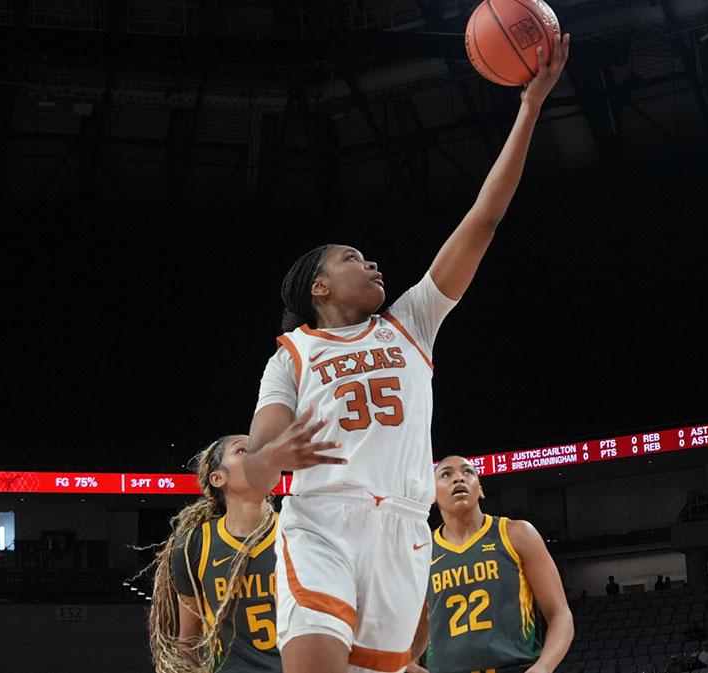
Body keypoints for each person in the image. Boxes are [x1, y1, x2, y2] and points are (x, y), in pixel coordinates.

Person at [243, 33, 571, 673]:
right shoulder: (291, 354)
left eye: (369, 257)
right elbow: (255, 471)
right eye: (351, 259)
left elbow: (484, 218)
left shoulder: (411, 322)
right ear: (319, 286)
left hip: (402, 527)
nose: (371, 263)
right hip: (320, 521)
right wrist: (274, 458)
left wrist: (529, 107)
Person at [415, 456, 573, 673]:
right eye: (446, 474)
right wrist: (406, 666)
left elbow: (560, 613)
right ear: (432, 494)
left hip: (514, 667)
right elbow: (415, 634)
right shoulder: (421, 551)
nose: (458, 478)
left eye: (467, 472)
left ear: (480, 489)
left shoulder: (517, 534)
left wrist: (544, 666)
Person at [148, 435, 280, 672]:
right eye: (242, 450)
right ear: (218, 478)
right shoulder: (193, 546)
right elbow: (188, 641)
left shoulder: (297, 533)